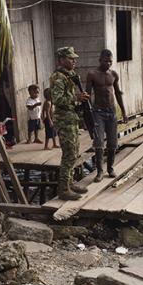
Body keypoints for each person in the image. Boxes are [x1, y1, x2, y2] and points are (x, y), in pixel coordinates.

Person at [50, 47, 89, 200]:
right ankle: (63, 189)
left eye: (74, 58)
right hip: (64, 120)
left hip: (71, 118)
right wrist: (76, 98)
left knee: (74, 152)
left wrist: (80, 99)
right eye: (70, 58)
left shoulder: (69, 75)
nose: (74, 61)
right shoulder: (58, 77)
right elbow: (57, 100)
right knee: (69, 154)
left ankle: (70, 182)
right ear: (61, 60)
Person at [86, 49, 127, 183]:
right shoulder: (92, 74)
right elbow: (87, 95)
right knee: (98, 142)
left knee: (112, 142)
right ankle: (99, 171)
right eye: (105, 61)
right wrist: (88, 115)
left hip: (111, 111)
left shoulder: (113, 74)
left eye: (110, 61)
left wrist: (124, 112)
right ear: (100, 60)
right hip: (98, 112)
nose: (108, 64)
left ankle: (110, 168)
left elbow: (118, 93)